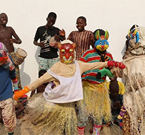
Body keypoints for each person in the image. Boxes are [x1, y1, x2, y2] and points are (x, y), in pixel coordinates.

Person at [13, 40, 124, 135]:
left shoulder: (78, 65)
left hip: (69, 108)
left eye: (70, 52)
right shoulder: (56, 67)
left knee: (69, 130)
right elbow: (40, 80)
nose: (67, 55)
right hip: (55, 105)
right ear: (60, 53)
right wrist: (24, 90)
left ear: (74, 52)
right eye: (63, 52)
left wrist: (110, 63)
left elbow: (94, 65)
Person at [77, 29, 115, 135]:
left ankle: (96, 133)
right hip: (87, 89)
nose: (102, 44)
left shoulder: (109, 56)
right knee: (82, 117)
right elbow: (79, 68)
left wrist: (109, 66)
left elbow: (112, 74)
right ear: (94, 40)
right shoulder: (87, 54)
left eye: (104, 41)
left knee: (98, 118)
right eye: (99, 40)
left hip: (100, 90)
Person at [0, 13, 22, 89]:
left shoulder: (10, 29)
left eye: (6, 17)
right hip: (2, 57)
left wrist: (14, 41)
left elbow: (19, 41)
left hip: (12, 55)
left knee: (16, 75)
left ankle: (18, 93)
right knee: (4, 74)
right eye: (2, 17)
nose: (4, 19)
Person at [0, 42, 17, 135]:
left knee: (9, 119)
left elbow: (13, 76)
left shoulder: (8, 61)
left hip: (6, 94)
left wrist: (16, 90)